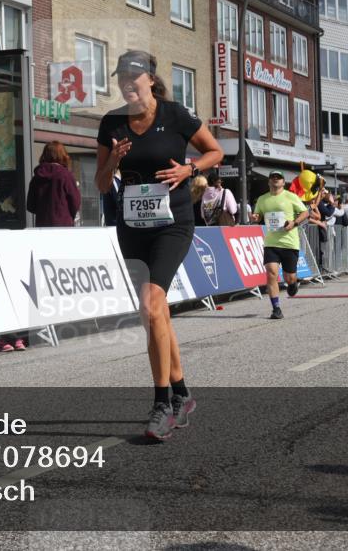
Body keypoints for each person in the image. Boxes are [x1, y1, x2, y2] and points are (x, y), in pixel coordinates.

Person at [95, 50, 222, 441]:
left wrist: (189, 168)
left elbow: (215, 151)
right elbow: (101, 183)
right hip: (132, 226)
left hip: (173, 224)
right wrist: (113, 161)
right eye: (121, 79)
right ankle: (182, 394)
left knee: (150, 306)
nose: (127, 84)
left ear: (150, 79)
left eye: (133, 77)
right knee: (157, 312)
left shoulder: (175, 115)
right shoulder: (112, 123)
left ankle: (162, 404)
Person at [251, 171, 310, 320]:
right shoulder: (262, 199)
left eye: (279, 178)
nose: (275, 180)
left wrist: (294, 223)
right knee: (271, 273)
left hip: (289, 243)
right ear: (269, 182)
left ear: (283, 182)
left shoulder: (291, 196)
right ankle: (276, 308)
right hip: (271, 243)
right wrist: (255, 217)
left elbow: (305, 213)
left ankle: (293, 284)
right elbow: (257, 215)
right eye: (273, 178)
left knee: (289, 277)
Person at [27, 141, 81, 227]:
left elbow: (30, 206)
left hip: (42, 226)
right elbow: (75, 202)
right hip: (63, 226)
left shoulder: (36, 177)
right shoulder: (66, 176)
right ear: (62, 155)